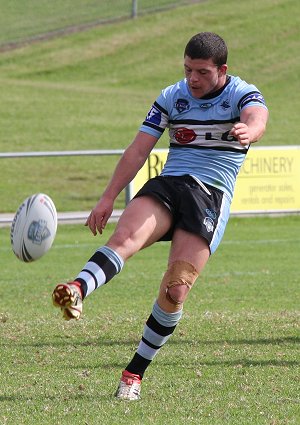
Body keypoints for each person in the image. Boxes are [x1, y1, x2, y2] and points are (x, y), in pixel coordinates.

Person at [52, 32, 268, 400]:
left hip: (210, 197)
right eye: (187, 70)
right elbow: (138, 151)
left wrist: (252, 129)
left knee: (176, 288)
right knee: (124, 240)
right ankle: (76, 289)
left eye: (201, 72)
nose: (192, 79)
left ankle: (133, 374)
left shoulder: (241, 93)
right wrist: (107, 198)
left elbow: (257, 114)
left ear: (222, 70)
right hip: (170, 185)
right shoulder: (172, 96)